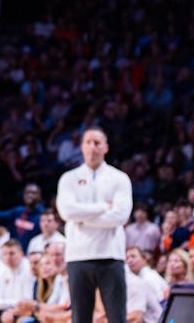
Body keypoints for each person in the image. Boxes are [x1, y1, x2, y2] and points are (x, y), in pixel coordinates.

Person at [55, 128, 132, 323]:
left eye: (97, 142)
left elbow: (120, 216)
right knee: (80, 318)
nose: (92, 147)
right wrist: (103, 207)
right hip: (78, 256)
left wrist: (82, 217)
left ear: (106, 147)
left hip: (111, 256)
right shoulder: (68, 178)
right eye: (88, 142)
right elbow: (67, 212)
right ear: (81, 147)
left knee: (117, 318)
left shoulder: (120, 178)